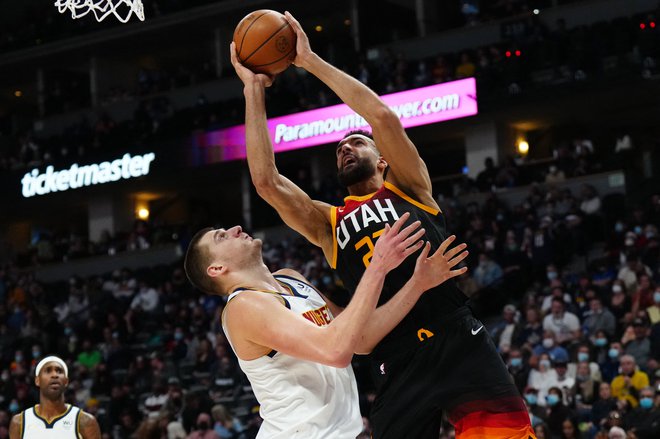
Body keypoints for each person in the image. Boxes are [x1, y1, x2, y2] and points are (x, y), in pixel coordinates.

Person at [232, 10, 535, 439]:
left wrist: (309, 60)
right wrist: (253, 91)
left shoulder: (410, 187)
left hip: (455, 337)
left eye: (356, 142)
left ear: (384, 160)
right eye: (339, 149)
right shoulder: (329, 224)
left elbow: (383, 118)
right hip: (395, 354)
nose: (345, 149)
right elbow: (266, 182)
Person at [183, 215, 468, 438]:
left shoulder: (291, 278)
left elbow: (359, 339)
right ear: (217, 269)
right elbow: (335, 350)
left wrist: (417, 283)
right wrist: (378, 266)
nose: (234, 228)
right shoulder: (243, 306)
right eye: (221, 237)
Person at [8, 356, 102, 439]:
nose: (54, 375)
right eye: (48, 371)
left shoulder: (86, 421)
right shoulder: (19, 422)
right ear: (37, 381)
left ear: (66, 381)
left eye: (59, 371)